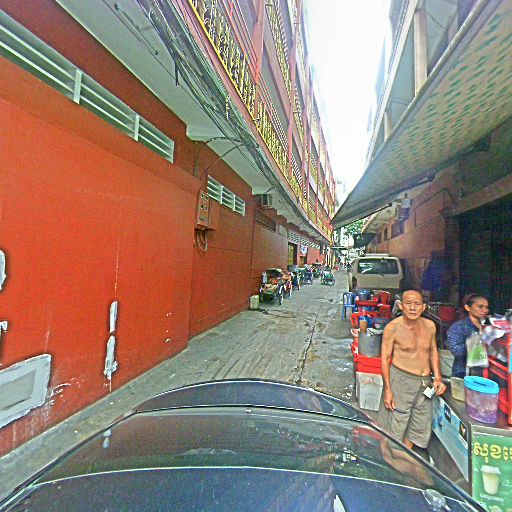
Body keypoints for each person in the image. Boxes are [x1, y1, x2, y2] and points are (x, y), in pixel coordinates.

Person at [378, 289, 446, 451]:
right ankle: (386, 457)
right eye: (408, 303)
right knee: (395, 423)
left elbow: (433, 350)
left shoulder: (430, 326)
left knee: (419, 424)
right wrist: (388, 389)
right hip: (401, 381)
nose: (413, 308)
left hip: (424, 383)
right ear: (401, 305)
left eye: (417, 304)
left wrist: (437, 377)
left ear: (424, 307)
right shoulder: (393, 328)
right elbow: (385, 359)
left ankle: (404, 455)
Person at [446, 294, 489, 378]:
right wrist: (478, 344)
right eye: (480, 307)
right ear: (468, 308)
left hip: (485, 374)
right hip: (463, 374)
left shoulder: (488, 326)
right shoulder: (458, 327)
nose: (485, 310)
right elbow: (456, 351)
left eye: (486, 307)